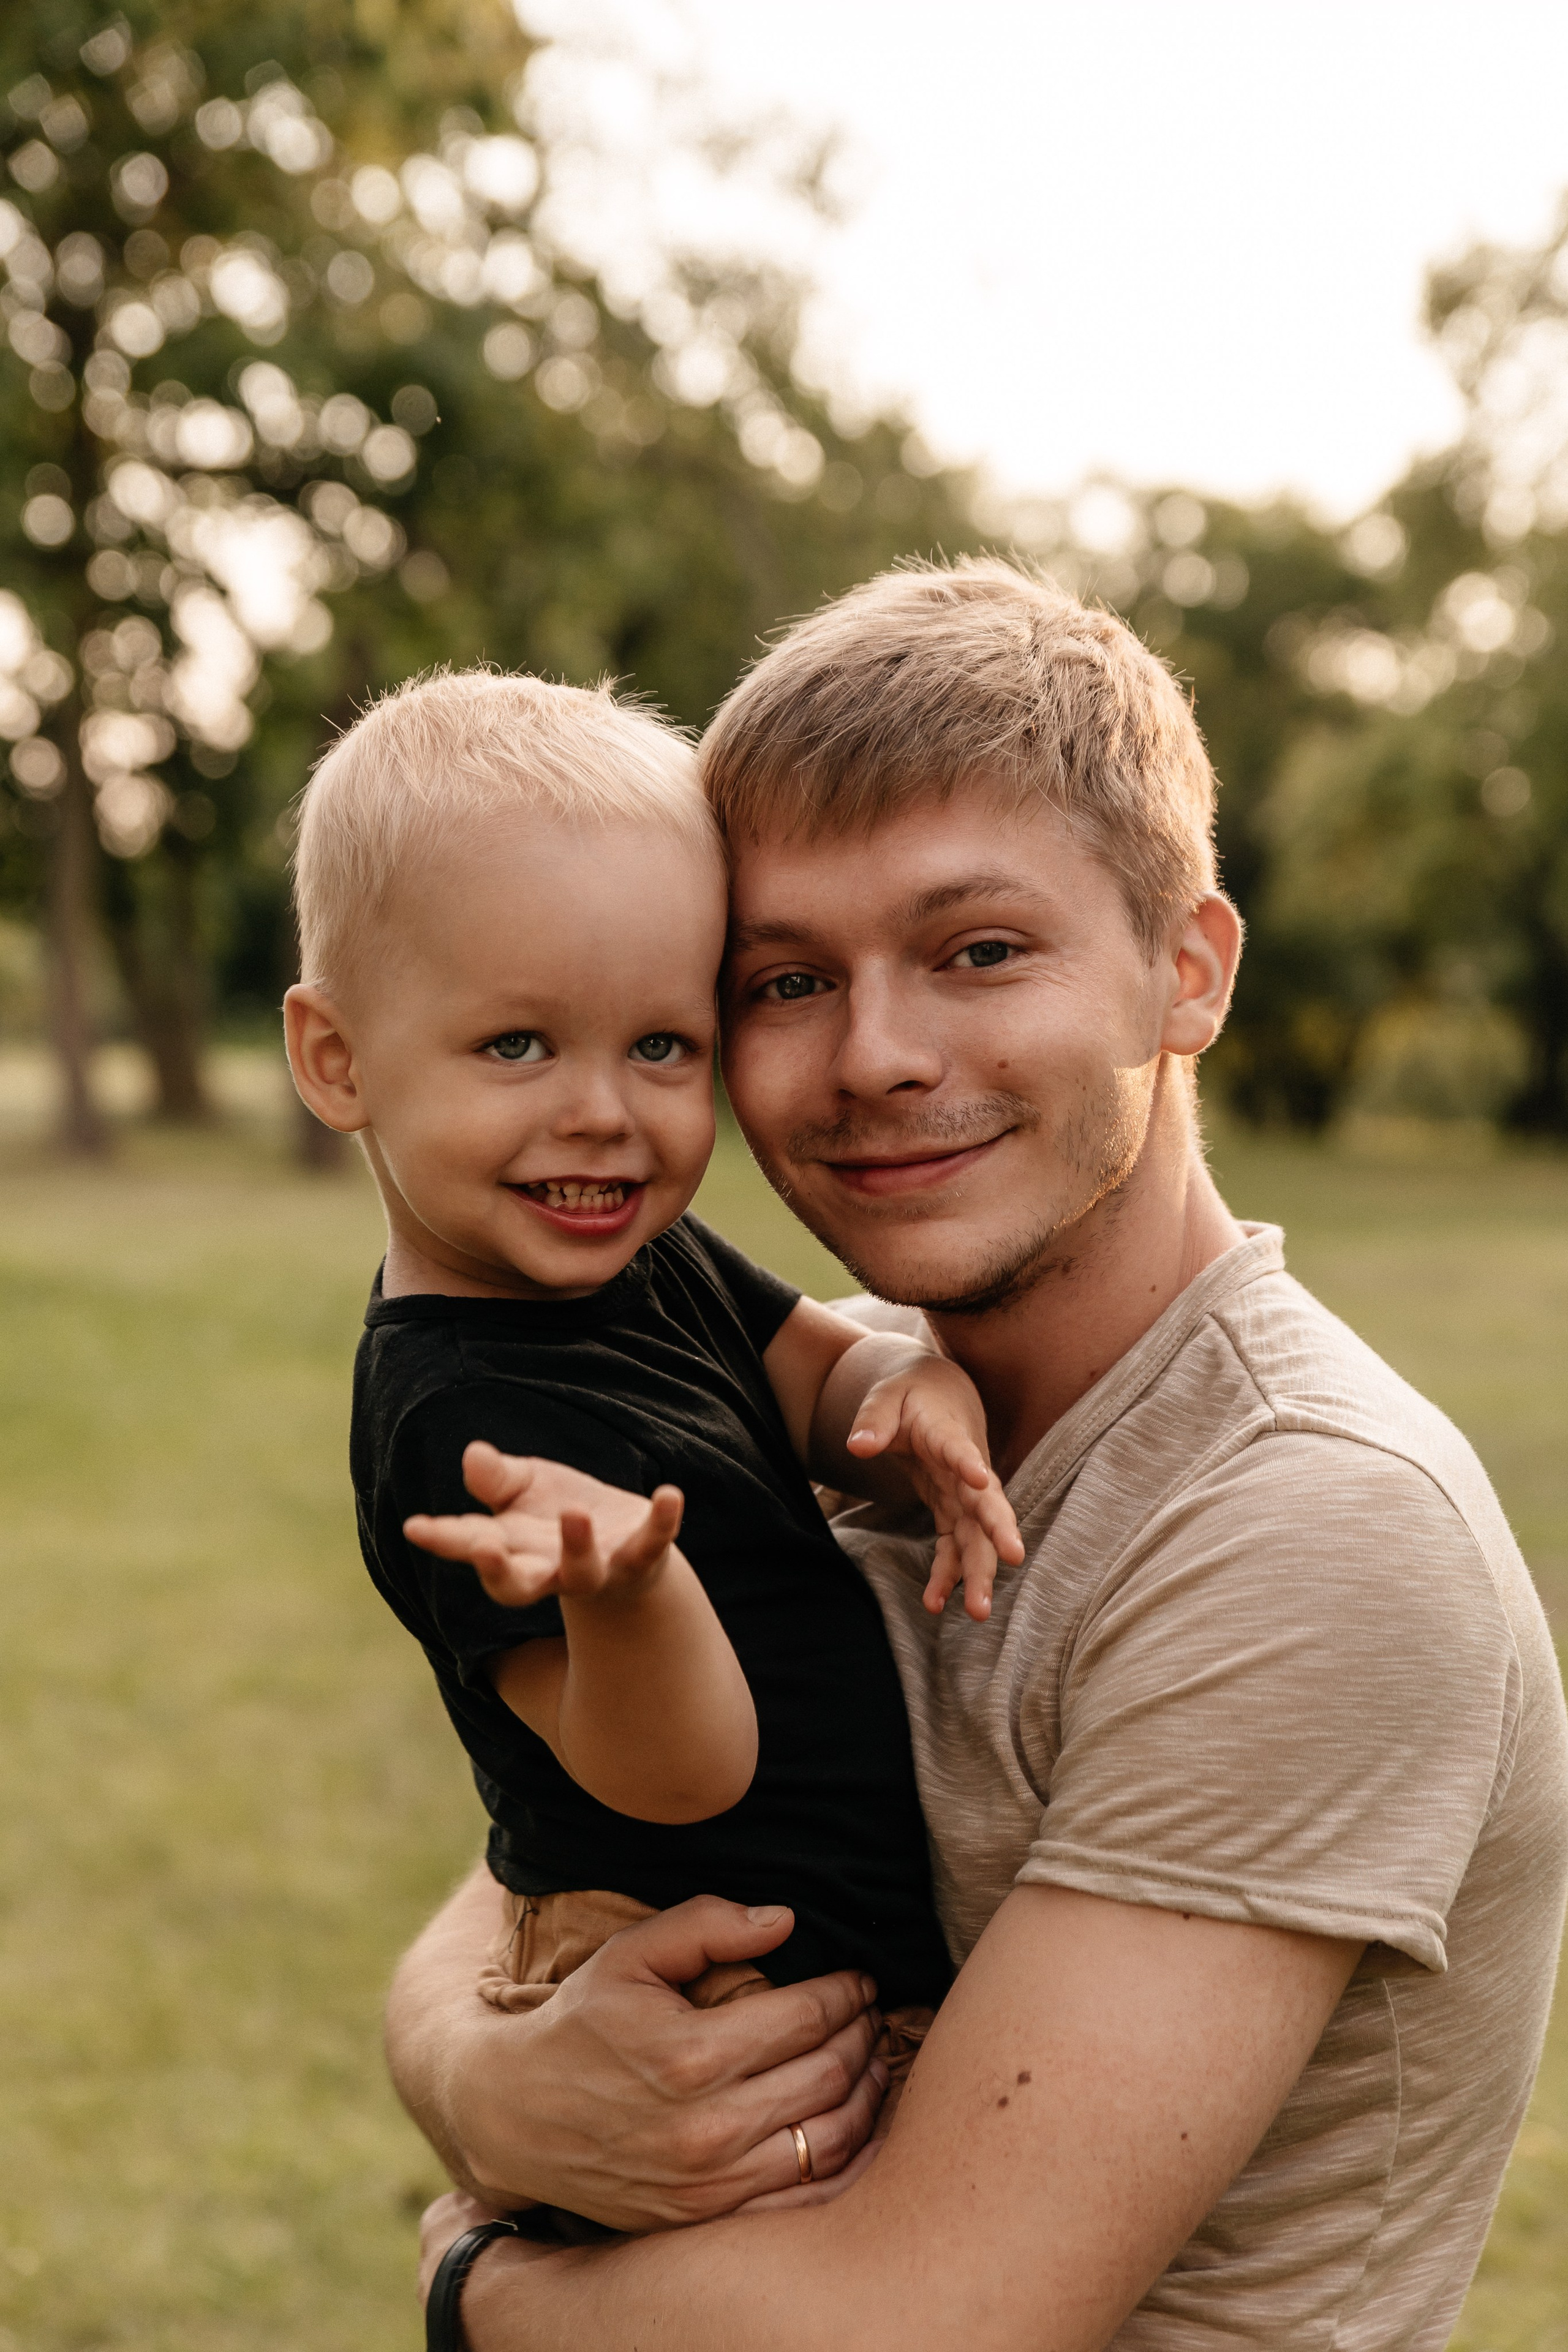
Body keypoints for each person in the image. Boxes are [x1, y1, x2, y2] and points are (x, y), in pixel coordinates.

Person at [391, 563, 1568, 2352]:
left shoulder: (1309, 1523)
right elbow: (524, 1856)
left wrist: (478, 2277)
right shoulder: (866, 1421)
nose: (873, 1056)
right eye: (785, 979)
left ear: (1190, 970)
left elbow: (930, 2321)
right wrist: (478, 2068)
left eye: (981, 951)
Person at [282, 668, 1027, 2222]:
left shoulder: (635, 1255)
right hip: (688, 1997)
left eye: (662, 1048)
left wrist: (912, 1396)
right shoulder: (457, 1422)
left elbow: (815, 1372)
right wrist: (628, 1598)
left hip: (817, 1961)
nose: (602, 1116)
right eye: (515, 1049)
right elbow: (680, 1774)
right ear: (336, 1060)